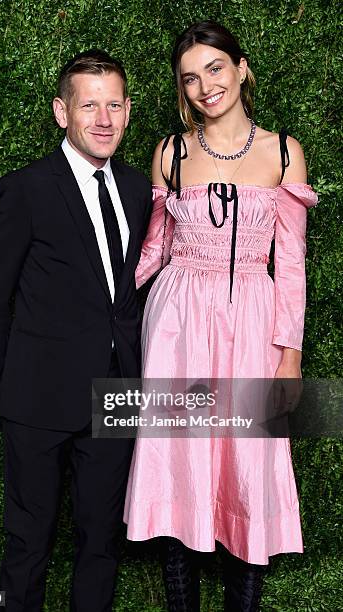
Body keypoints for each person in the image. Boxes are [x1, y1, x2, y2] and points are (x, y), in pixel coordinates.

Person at [124, 21, 317, 611]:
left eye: (214, 68)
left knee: (248, 462)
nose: (206, 85)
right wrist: (92, 298)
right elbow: (153, 249)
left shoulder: (284, 152)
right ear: (183, 91)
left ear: (241, 68)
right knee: (179, 456)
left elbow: (291, 267)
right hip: (178, 326)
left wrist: (290, 357)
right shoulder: (170, 153)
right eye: (191, 78)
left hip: (254, 328)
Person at [0, 49, 152, 612]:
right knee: (28, 542)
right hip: (37, 399)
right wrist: (11, 383)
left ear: (126, 112)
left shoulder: (140, 188)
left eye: (114, 105)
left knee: (100, 543)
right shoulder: (25, 189)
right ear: (61, 112)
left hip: (114, 395)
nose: (103, 118)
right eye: (89, 104)